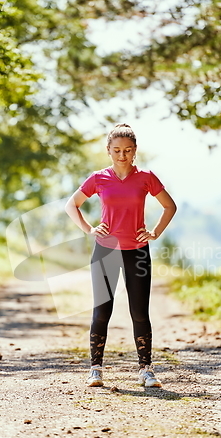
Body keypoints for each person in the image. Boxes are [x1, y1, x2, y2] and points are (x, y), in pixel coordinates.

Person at [65, 123, 177, 388]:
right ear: (108, 151)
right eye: (116, 150)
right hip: (105, 250)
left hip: (137, 251)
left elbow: (169, 206)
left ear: (135, 150)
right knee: (102, 311)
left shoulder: (147, 177)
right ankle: (95, 370)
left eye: (127, 150)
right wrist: (90, 229)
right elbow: (72, 205)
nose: (122, 155)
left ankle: (146, 370)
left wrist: (155, 232)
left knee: (139, 312)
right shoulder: (98, 178)